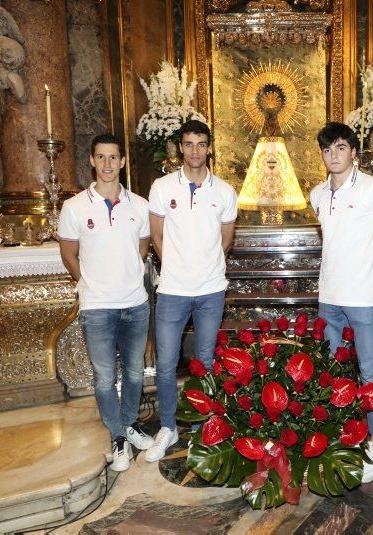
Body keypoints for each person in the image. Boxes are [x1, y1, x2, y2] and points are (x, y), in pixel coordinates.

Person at [309, 122, 373, 484]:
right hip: (329, 295)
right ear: (322, 153)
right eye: (328, 149)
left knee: (370, 370)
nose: (334, 155)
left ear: (354, 152)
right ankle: (338, 429)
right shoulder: (317, 194)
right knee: (331, 369)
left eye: (342, 147)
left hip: (364, 297)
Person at [58, 133, 154, 472]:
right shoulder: (74, 207)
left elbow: (143, 249)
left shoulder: (140, 206)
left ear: (122, 162)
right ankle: (117, 436)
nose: (108, 164)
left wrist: (126, 275)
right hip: (97, 306)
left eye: (114, 157)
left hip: (134, 303)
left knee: (132, 372)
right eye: (101, 157)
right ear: (92, 161)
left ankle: (128, 424)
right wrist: (87, 283)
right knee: (103, 378)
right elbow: (68, 254)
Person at [146, 119, 238, 462]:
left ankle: (205, 421)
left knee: (205, 362)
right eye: (188, 144)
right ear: (180, 148)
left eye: (201, 144)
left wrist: (206, 266)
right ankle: (168, 427)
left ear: (209, 148)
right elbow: (157, 235)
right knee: (167, 364)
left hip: (211, 290)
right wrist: (177, 266)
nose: (195, 151)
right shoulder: (161, 187)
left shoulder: (225, 192)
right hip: (172, 289)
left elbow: (225, 240)